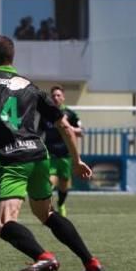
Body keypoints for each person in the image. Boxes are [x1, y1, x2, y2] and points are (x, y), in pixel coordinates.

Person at [0, 34, 106, 271]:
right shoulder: (30, 86)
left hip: (13, 159)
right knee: (46, 214)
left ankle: (44, 257)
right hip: (40, 156)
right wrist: (77, 159)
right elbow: (64, 125)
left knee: (4, 223)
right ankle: (91, 261)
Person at [37, 85, 82, 217]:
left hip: (66, 156)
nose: (56, 98)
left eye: (58, 95)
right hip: (50, 155)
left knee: (64, 185)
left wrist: (70, 129)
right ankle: (47, 210)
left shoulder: (70, 114)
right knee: (49, 182)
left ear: (63, 97)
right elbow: (39, 132)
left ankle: (61, 204)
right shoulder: (46, 114)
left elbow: (81, 131)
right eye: (53, 96)